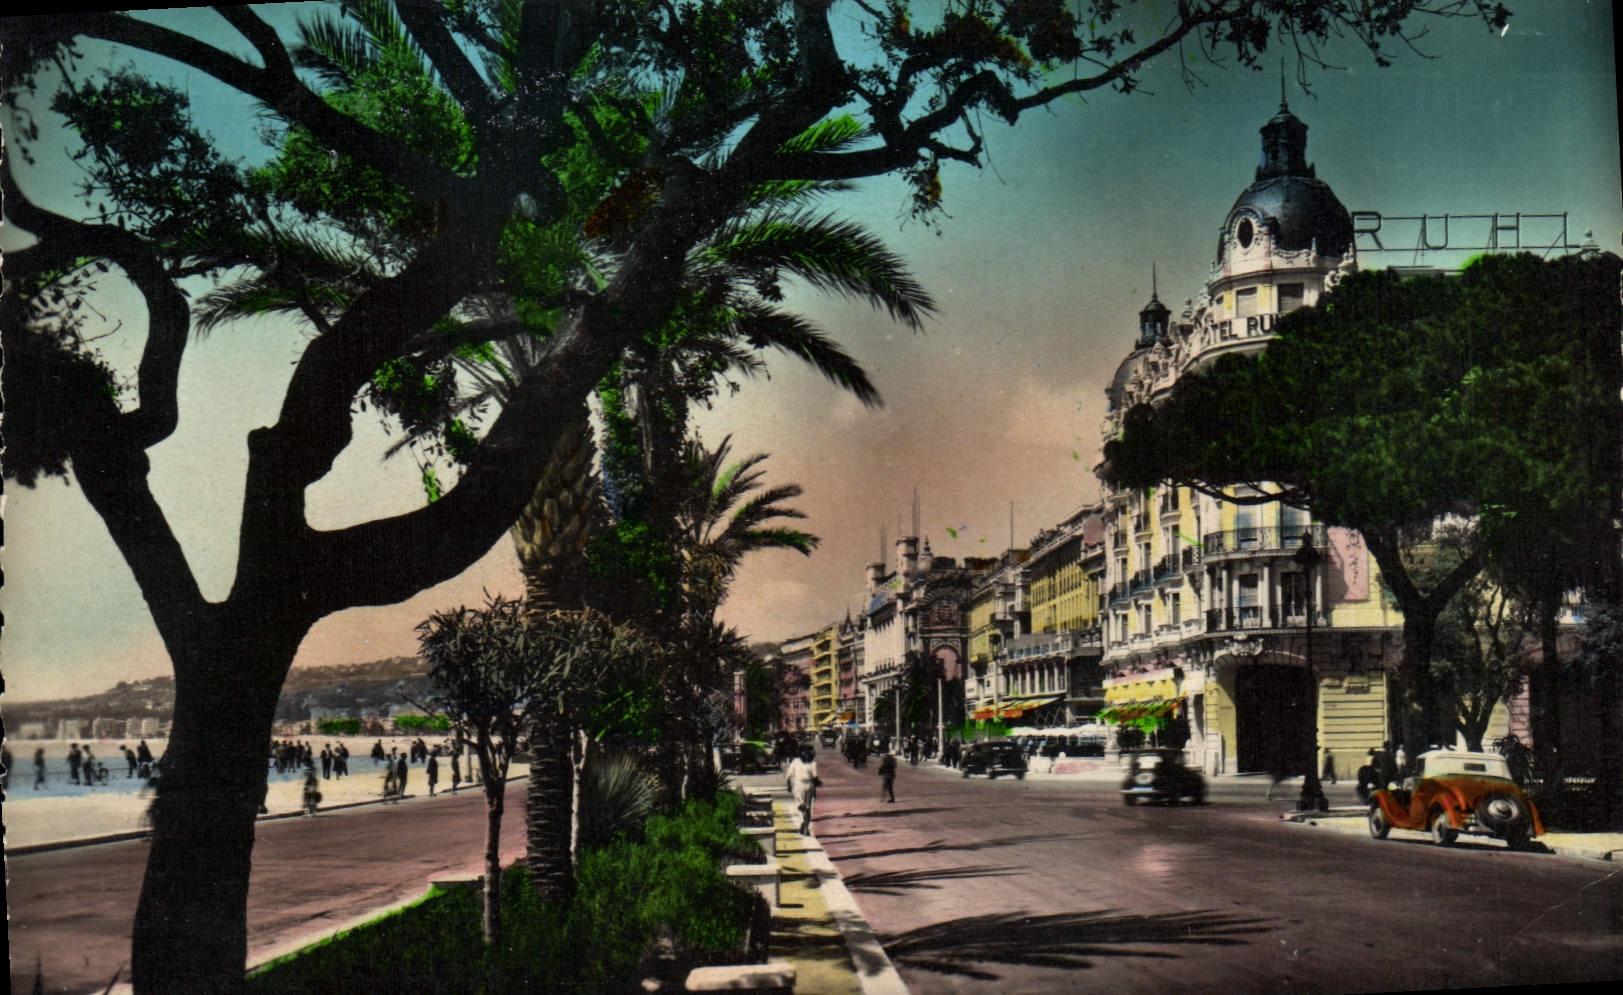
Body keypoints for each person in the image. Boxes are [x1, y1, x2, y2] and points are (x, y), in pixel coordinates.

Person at [785, 746, 821, 835]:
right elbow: (814, 776)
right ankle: (806, 827)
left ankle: (803, 814)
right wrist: (818, 783)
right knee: (809, 807)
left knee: (800, 804)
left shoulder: (795, 761)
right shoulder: (813, 762)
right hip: (809, 786)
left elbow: (788, 775)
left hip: (798, 786)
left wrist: (789, 786)